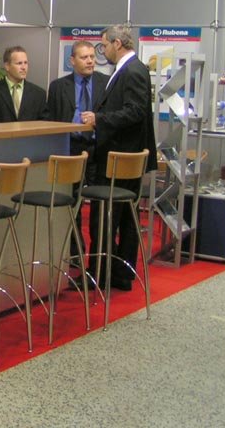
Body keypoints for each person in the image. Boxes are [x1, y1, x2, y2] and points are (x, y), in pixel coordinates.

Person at [80, 24, 157, 291]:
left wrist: (99, 119)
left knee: (107, 217)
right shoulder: (129, 69)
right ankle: (118, 273)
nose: (102, 52)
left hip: (120, 157)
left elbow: (135, 111)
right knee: (123, 218)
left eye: (103, 45)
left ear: (117, 44)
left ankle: (102, 273)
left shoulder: (132, 70)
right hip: (123, 156)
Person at [47, 41, 108, 265]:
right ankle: (75, 254)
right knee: (72, 203)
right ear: (72, 60)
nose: (90, 61)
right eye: (84, 57)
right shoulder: (58, 87)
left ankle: (98, 257)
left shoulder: (105, 83)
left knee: (99, 205)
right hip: (70, 149)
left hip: (97, 149)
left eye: (92, 56)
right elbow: (51, 119)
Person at [0, 46, 48, 122]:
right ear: (7, 66)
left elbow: (44, 124)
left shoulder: (39, 94)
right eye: (19, 63)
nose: (23, 67)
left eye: (25, 63)